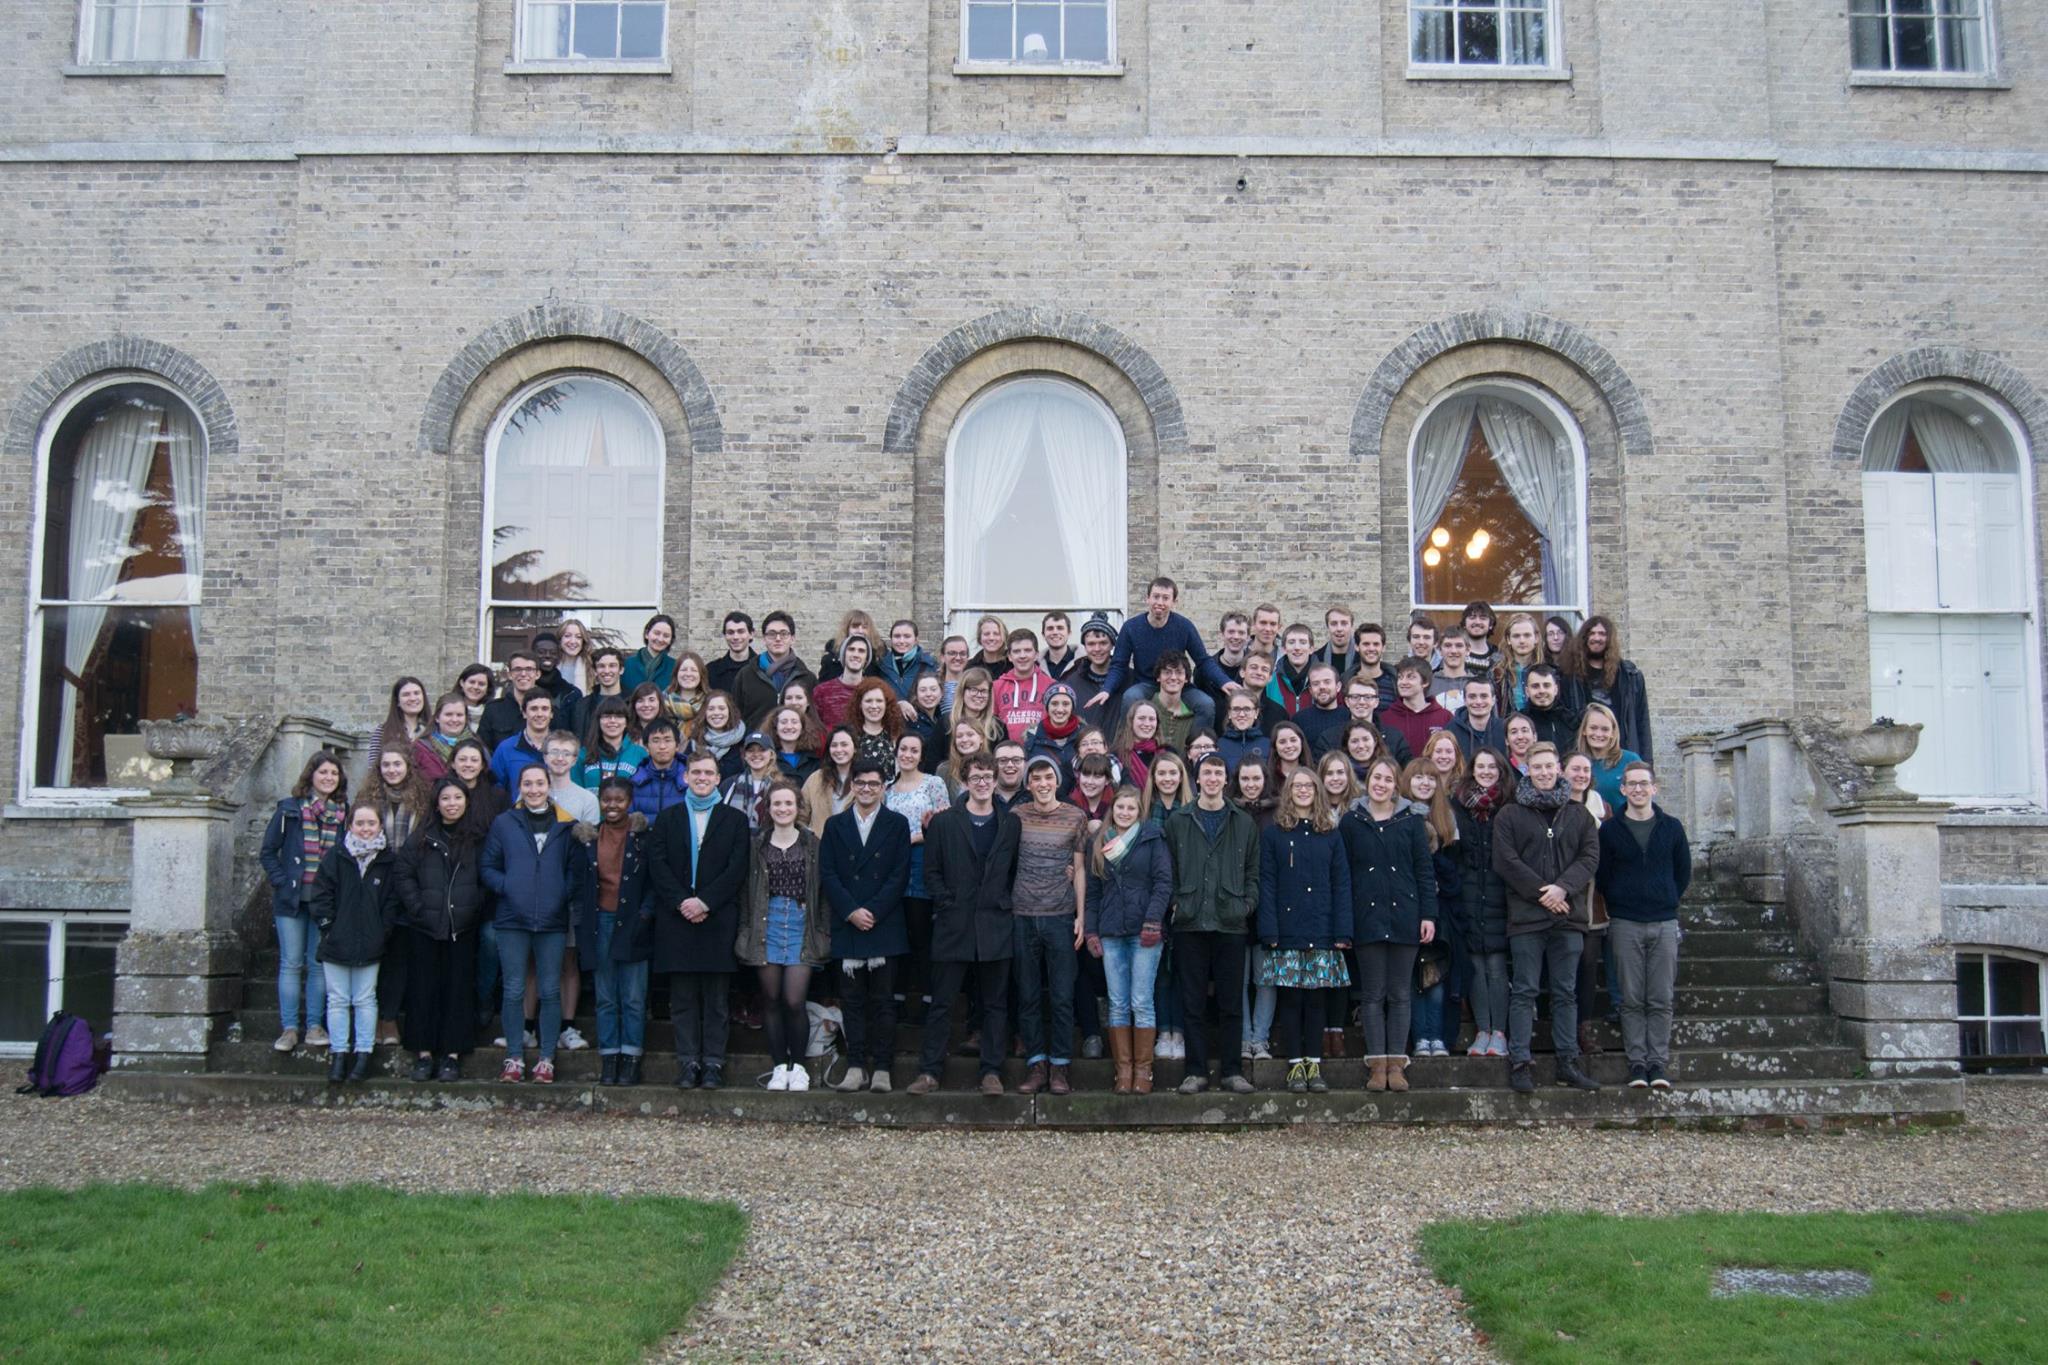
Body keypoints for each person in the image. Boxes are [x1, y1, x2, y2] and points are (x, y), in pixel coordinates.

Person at [1493, 743, 1602, 1094]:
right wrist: (1545, 893)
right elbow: (1506, 861)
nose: (1543, 772)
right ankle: (1520, 1061)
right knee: (1524, 990)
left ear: (1559, 769)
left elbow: (1589, 857)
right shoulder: (1510, 814)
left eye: (1549, 766)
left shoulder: (1579, 815)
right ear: (1527, 770)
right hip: (1527, 918)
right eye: (1536, 767)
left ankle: (1567, 1062)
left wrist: (1563, 889)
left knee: (1565, 992)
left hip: (1568, 917)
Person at [909, 754, 1019, 1096]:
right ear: (966, 781)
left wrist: (1003, 901)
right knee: (942, 1002)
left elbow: (1014, 870)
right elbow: (931, 872)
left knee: (995, 1004)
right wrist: (946, 902)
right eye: (976, 777)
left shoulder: (1011, 823)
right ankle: (929, 1072)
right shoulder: (944, 822)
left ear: (996, 780)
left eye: (988, 777)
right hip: (953, 922)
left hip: (995, 922)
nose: (982, 783)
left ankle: (991, 1072)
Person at [646, 752, 751, 1090]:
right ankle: (688, 1062)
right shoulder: (668, 817)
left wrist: (705, 901)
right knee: (683, 998)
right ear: (686, 777)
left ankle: (714, 1064)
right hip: (677, 918)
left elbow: (737, 867)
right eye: (696, 772)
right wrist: (682, 902)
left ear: (718, 778)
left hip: (717, 918)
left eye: (708, 773)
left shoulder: (734, 820)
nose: (702, 778)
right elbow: (657, 864)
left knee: (717, 1000)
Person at [481, 764, 590, 1085]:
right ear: (519, 787)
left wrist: (561, 894)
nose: (533, 789)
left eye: (539, 783)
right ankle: (514, 1056)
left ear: (548, 786)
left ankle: (546, 1059)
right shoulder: (505, 822)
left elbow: (575, 871)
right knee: (514, 988)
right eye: (527, 784)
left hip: (552, 919)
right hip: (512, 918)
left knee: (550, 988)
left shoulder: (566, 825)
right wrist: (508, 886)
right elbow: (488, 866)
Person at [1165, 752, 1260, 1095]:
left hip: (1230, 922)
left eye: (1219, 773)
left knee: (1231, 1003)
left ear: (1226, 780)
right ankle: (1195, 1072)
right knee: (1192, 1003)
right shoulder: (1178, 821)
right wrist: (1176, 902)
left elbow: (1253, 872)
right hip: (1190, 922)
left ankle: (1233, 1071)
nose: (1213, 779)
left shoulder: (1243, 822)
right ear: (1197, 778)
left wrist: (1246, 905)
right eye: (1207, 773)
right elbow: (1169, 869)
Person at [1341, 756, 1437, 1093]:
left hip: (1404, 915)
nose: (1380, 784)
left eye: (1387, 779)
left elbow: (1424, 871)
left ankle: (1396, 1064)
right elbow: (1343, 874)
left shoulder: (1411, 821)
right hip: (1366, 917)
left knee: (1399, 993)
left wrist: (1428, 915)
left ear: (1396, 785)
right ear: (1367, 781)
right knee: (1372, 994)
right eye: (1376, 778)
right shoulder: (1351, 821)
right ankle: (1376, 1065)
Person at [1596, 761, 1692, 1090]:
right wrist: (1621, 899)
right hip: (1625, 922)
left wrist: (1664, 897)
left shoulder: (1672, 827)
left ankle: (1657, 1062)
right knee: (1632, 998)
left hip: (1663, 921)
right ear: (1623, 789)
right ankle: (1637, 1062)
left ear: (1654, 788)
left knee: (1661, 997)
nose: (1638, 789)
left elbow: (1682, 872)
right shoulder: (1610, 831)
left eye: (1643, 783)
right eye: (1632, 784)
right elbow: (1603, 875)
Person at [1257, 767, 1352, 1095]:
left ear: (1317, 790)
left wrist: (1342, 930)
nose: (1302, 790)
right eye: (1296, 786)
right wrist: (1269, 929)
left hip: (1322, 928)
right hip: (1287, 930)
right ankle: (1295, 1064)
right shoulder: (1274, 834)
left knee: (1316, 1001)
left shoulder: (1331, 833)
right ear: (1288, 791)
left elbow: (1341, 883)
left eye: (1308, 785)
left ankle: (1314, 1064)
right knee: (1291, 1000)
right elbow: (1267, 883)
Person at [821, 759, 913, 1093]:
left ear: (883, 787)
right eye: (860, 783)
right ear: (852, 786)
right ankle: (856, 1065)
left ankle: (883, 1067)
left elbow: (899, 874)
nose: (866, 789)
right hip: (848, 921)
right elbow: (828, 872)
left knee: (884, 999)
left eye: (874, 784)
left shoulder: (897, 824)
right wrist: (851, 911)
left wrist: (871, 911)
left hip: (883, 920)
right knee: (852, 1000)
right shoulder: (835, 825)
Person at [394, 777, 487, 1082]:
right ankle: (423, 1054)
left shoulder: (478, 839)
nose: (451, 804)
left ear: (467, 802)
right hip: (425, 926)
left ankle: (452, 1055)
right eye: (445, 798)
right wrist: (417, 907)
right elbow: (403, 873)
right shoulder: (421, 837)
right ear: (436, 803)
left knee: (458, 990)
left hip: (462, 926)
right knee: (424, 989)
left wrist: (473, 907)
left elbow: (485, 877)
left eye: (457, 798)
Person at [736, 781, 827, 1090]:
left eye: (788, 803)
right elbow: (746, 891)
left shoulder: (812, 844)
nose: (783, 808)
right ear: (769, 808)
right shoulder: (757, 845)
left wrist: (823, 930)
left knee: (794, 1000)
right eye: (777, 803)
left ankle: (798, 1066)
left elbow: (823, 891)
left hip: (802, 923)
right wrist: (746, 929)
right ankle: (779, 1067)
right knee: (771, 1000)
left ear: (798, 807)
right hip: (767, 922)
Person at [1084, 785, 1173, 1095]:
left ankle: (1143, 1070)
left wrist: (1153, 921)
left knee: (1141, 1001)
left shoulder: (1152, 839)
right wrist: (1092, 930)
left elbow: (1163, 883)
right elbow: (1093, 893)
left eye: (1131, 808)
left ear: (1139, 812)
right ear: (1113, 810)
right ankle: (1123, 1070)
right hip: (1111, 931)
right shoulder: (1100, 841)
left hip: (1144, 931)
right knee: (1118, 1003)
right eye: (1120, 807)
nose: (1124, 813)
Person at [259, 750, 349, 1053]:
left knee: (318, 964)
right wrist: (281, 881)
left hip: (325, 901)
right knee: (291, 963)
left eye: (334, 773)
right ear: (311, 775)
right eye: (323, 772)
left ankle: (314, 1025)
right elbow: (268, 852)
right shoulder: (289, 810)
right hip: (292, 899)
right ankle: (289, 1028)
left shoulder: (343, 814)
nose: (328, 778)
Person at [1010, 754, 1090, 1095]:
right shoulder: (1016, 816)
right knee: (1027, 995)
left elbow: (1080, 869)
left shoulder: (1075, 816)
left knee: (1061, 996)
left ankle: (1060, 1066)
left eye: (1048, 778)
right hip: (1022, 915)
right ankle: (1036, 1065)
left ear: (1057, 781)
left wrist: (1081, 917)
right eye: (1036, 778)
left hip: (1060, 915)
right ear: (1028, 784)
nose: (1043, 784)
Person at [309, 802, 398, 1083]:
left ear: (380, 826)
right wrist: (328, 927)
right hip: (337, 940)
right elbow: (321, 895)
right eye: (360, 823)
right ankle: (339, 1053)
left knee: (364, 998)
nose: (365, 829)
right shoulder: (336, 856)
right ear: (350, 826)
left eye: (371, 823)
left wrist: (382, 931)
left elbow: (392, 902)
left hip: (371, 941)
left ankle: (363, 1053)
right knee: (337, 999)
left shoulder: (387, 861)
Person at [574, 776, 653, 1086]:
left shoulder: (643, 838)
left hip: (633, 921)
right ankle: (609, 1057)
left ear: (629, 802)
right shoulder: (588, 838)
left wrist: (645, 914)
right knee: (606, 995)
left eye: (619, 800)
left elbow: (654, 881)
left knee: (633, 996)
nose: (612, 805)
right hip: (600, 922)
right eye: (607, 800)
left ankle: (631, 1057)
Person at [1086, 577, 1232, 730]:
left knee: (1205, 704)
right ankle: (1127, 742)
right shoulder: (1131, 627)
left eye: (1165, 598)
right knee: (1130, 697)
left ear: (1174, 602)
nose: (1160, 602)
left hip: (1177, 684)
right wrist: (1107, 689)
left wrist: (1223, 681)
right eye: (1156, 596)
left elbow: (1203, 660)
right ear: (1147, 599)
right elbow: (1118, 665)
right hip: (1146, 684)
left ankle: (1198, 743)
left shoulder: (1184, 627)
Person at [363, 745, 430, 1046]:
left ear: (408, 767)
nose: (392, 770)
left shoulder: (422, 799)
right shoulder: (368, 800)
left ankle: (389, 1018)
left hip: (409, 881)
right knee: (374, 951)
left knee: (398, 955)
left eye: (397, 764)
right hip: (375, 881)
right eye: (386, 765)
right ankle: (371, 1017)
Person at [1452, 749, 1515, 1060]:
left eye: (1492, 767)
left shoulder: (1510, 805)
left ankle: (1499, 1032)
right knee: (1476, 967)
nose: (1487, 771)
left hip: (1501, 895)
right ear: (1472, 769)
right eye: (1481, 766)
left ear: (1501, 770)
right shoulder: (1458, 805)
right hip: (1468, 894)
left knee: (1497, 967)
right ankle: (1482, 1030)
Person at [1397, 762, 1462, 1062]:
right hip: (1406, 906)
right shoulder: (1398, 815)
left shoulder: (1447, 817)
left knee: (1435, 974)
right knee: (1411, 976)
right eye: (1418, 777)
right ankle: (1419, 1037)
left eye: (1431, 778)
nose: (1424, 783)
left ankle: (1437, 1035)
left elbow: (1455, 871)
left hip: (1440, 909)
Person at [887, 732, 950, 1027]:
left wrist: (913, 837)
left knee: (922, 932)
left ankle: (927, 998)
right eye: (903, 749)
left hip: (922, 861)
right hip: (894, 866)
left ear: (921, 755)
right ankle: (897, 998)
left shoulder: (933, 784)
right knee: (899, 933)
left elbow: (944, 824)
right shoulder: (887, 788)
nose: (908, 755)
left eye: (914, 750)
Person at [1233, 760, 1279, 1064]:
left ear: (1265, 779)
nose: (1251, 785)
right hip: (1235, 904)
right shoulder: (1230, 811)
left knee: (1265, 979)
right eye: (1245, 779)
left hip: (1268, 903)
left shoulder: (1276, 813)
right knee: (1238, 978)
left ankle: (1260, 1039)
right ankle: (1243, 1038)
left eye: (1256, 779)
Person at [1560, 615, 1652, 758]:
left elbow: (1642, 722)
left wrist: (1646, 764)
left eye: (1602, 634)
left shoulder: (1630, 676)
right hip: (1584, 756)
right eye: (1592, 633)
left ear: (1610, 639)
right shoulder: (1568, 676)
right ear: (1584, 637)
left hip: (1622, 753)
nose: (1596, 638)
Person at [735, 611, 819, 727]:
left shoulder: (807, 678)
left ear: (792, 638)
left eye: (784, 634)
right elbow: (736, 717)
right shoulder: (746, 675)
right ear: (764, 638)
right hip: (757, 738)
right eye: (772, 634)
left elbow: (814, 718)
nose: (778, 638)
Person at [990, 629, 1057, 742]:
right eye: (1017, 651)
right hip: (1006, 750)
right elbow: (991, 723)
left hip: (1041, 749)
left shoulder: (1052, 686)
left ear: (1036, 655)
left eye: (1027, 650)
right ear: (1009, 656)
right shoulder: (996, 687)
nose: (1022, 656)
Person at [1377, 659, 1452, 758]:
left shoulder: (1445, 717)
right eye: (1400, 677)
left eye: (1410, 677)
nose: (1403, 682)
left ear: (1425, 682)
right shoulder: (1386, 718)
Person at [1575, 702, 1642, 811]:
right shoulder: (1575, 764)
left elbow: (1645, 798)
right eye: (1593, 728)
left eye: (1605, 729)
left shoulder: (1630, 760)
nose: (1598, 734)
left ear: (1613, 733)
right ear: (1584, 730)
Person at [813, 631, 880, 732]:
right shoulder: (821, 692)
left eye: (861, 651)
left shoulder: (874, 692)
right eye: (851, 649)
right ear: (843, 655)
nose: (856, 654)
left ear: (866, 659)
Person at [489, 689, 555, 790]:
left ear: (551, 714)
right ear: (524, 713)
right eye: (534, 709)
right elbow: (495, 789)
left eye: (545, 709)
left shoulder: (562, 750)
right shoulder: (506, 749)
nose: (539, 714)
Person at [1020, 681, 1084, 785]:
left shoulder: (1085, 736)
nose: (1060, 709)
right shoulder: (1032, 736)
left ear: (1072, 707)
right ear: (1047, 707)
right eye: (1054, 704)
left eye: (1066, 704)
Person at [478, 653, 542, 753]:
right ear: (510, 675)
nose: (523, 674)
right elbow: (482, 749)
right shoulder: (493, 710)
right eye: (517, 669)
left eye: (529, 669)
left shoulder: (549, 711)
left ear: (537, 674)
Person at [630, 717, 691, 820]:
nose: (662, 746)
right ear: (646, 747)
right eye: (656, 741)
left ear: (677, 746)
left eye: (667, 740)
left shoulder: (691, 779)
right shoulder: (635, 782)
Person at [366, 676, 430, 772]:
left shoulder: (433, 730)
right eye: (406, 694)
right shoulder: (383, 731)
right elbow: (373, 768)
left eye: (416, 693)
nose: (412, 698)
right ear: (398, 701)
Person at [719, 730, 779, 830]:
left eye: (762, 750)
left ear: (771, 754)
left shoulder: (780, 786)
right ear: (745, 755)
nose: (756, 754)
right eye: (751, 750)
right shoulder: (729, 784)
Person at [1066, 614, 1117, 727]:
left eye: (1103, 643)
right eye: (1091, 644)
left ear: (1112, 645)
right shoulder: (1072, 684)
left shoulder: (1129, 679)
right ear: (1084, 647)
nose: (1097, 649)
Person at [879, 619, 939, 715]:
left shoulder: (929, 665)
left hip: (919, 721)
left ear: (916, 640)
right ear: (891, 639)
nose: (901, 641)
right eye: (897, 636)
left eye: (907, 636)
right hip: (890, 720)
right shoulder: (881, 666)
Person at [847, 677, 904, 775]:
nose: (874, 706)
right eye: (868, 701)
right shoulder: (850, 737)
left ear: (886, 704)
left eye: (879, 701)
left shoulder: (896, 736)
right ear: (860, 704)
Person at [413, 691, 474, 783]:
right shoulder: (420, 749)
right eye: (448, 714)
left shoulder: (477, 746)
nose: (454, 719)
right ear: (437, 718)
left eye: (459, 715)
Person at [1519, 664, 1581, 751]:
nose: (1541, 691)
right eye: (1535, 686)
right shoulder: (1519, 722)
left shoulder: (1571, 721)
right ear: (1527, 691)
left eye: (1546, 685)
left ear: (1556, 689)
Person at [543, 730, 600, 826]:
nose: (560, 758)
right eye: (554, 752)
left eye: (566, 754)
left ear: (574, 760)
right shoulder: (532, 793)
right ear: (545, 757)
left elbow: (589, 835)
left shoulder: (588, 800)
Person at [1150, 652, 1202, 754]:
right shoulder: (1147, 712)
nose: (1173, 677)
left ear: (1186, 678)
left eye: (1179, 672)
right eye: (1167, 672)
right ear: (1158, 677)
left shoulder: (1192, 716)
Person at [1296, 661, 1350, 757]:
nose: (1322, 687)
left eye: (1327, 682)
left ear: (1338, 687)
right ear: (1310, 690)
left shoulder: (1349, 716)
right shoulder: (1299, 720)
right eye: (1316, 684)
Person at [531, 630, 585, 723]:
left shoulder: (572, 694)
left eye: (553, 653)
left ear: (559, 657)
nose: (547, 656)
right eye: (541, 652)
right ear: (532, 655)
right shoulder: (521, 690)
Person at [1494, 612, 1545, 711]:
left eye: (1527, 635)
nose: (1522, 641)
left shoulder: (1549, 672)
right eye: (1516, 636)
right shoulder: (1497, 673)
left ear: (1536, 638)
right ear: (1508, 639)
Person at [1266, 623, 1316, 720]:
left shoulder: (1321, 681)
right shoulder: (1271, 681)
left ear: (1311, 649)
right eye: (1291, 642)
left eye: (1303, 642)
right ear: (1284, 649)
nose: (1297, 647)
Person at [1112, 699, 1165, 792]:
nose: (1147, 724)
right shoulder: (1117, 755)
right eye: (1141, 718)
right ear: (1131, 721)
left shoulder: (1167, 753)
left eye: (1152, 719)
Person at [949, 667, 1006, 752]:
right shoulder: (947, 723)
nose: (979, 695)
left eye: (984, 691)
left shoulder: (998, 727)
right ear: (962, 691)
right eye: (973, 689)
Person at [1449, 676, 1507, 758]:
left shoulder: (1505, 729)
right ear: (1465, 700)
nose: (1478, 702)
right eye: (1472, 697)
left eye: (1484, 696)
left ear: (1493, 700)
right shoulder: (1451, 731)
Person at [692, 690, 746, 778]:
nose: (716, 713)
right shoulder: (695, 737)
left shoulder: (745, 739)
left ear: (730, 711)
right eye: (711, 709)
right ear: (704, 712)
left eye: (721, 708)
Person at [1216, 690, 1271, 776]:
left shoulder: (1268, 745)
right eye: (1236, 709)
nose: (1241, 714)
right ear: (1229, 713)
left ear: (1256, 712)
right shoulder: (1218, 745)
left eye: (1247, 709)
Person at [766, 703, 822, 785]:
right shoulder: (767, 759)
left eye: (794, 722)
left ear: (802, 729)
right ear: (775, 729)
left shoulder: (814, 761)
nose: (789, 727)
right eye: (784, 722)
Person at [905, 673, 950, 773]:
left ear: (941, 693)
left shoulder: (943, 719)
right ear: (916, 694)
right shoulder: (910, 718)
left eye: (933, 689)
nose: (928, 694)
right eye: (923, 690)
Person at [621, 613, 677, 693]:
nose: (660, 639)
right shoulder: (627, 665)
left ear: (671, 640)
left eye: (666, 636)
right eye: (656, 633)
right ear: (647, 634)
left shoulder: (675, 667)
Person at [708, 610, 757, 697]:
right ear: (725, 635)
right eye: (730, 632)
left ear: (751, 634)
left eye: (741, 631)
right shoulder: (711, 671)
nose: (735, 637)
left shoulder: (764, 669)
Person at [1429, 632, 1478, 713]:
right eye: (1448, 645)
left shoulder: (1480, 685)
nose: (1453, 651)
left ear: (1468, 650)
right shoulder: (1427, 684)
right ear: (1440, 650)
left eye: (1459, 646)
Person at [662, 650, 709, 733]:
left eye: (694, 670)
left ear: (701, 675)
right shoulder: (662, 702)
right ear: (676, 673)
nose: (688, 674)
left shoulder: (710, 702)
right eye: (684, 670)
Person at [1352, 622, 1397, 707]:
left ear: (1383, 648)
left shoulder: (1395, 682)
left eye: (1376, 644)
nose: (1371, 648)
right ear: (1357, 647)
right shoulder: (1347, 682)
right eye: (1366, 644)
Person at [1313, 605, 1361, 679]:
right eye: (1334, 624)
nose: (1339, 629)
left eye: (1344, 623)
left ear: (1351, 626)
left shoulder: (1362, 658)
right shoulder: (1317, 659)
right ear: (1328, 627)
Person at [1266, 719, 1311, 789]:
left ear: (1301, 742)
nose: (1289, 746)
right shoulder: (1266, 778)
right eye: (1282, 742)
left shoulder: (1315, 774)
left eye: (1293, 740)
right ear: (1275, 746)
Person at [456, 662, 496, 735]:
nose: (476, 687)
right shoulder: (449, 710)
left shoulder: (493, 715)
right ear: (462, 683)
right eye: (472, 682)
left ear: (488, 689)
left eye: (481, 684)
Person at [554, 618, 591, 694]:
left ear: (583, 641)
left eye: (578, 637)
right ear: (559, 639)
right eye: (567, 636)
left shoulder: (592, 667)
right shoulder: (551, 666)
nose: (573, 641)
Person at [1459, 601, 1499, 672]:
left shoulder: (1499, 657)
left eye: (1483, 618)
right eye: (1472, 617)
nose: (1477, 622)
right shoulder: (1455, 652)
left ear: (1491, 625)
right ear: (1464, 624)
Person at [991, 739, 1029, 809]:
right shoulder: (981, 796)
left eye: (1016, 760)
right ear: (993, 765)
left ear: (1025, 764)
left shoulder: (1035, 797)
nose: (1010, 765)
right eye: (1003, 760)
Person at [1039, 610, 1078, 678]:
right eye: (1050, 628)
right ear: (1043, 635)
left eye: (1060, 628)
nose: (1055, 632)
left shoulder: (1082, 663)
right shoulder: (1035, 666)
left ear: (1069, 633)